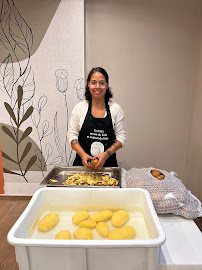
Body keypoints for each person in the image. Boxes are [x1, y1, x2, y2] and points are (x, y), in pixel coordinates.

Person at [67, 67, 126, 169]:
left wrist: (106, 154)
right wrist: (83, 155)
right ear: (88, 84)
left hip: (108, 167)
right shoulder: (79, 108)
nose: (97, 87)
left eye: (102, 83)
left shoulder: (116, 109)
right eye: (94, 82)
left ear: (107, 85)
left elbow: (121, 138)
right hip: (82, 167)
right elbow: (71, 135)